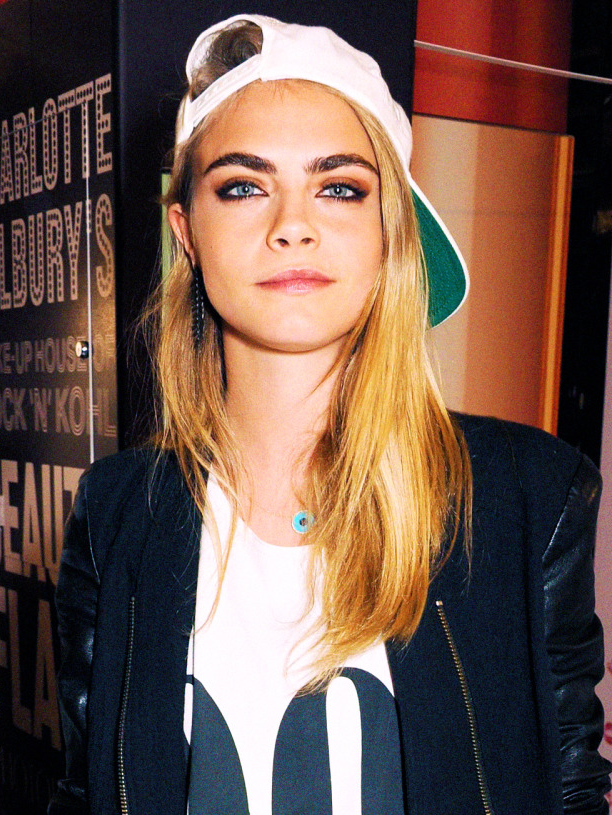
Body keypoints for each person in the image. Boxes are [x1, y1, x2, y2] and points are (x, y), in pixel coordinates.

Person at [48, 14, 611, 815]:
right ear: (187, 231)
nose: (292, 226)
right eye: (243, 186)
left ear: (391, 233)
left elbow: (570, 788)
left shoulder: (530, 496)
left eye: (339, 187)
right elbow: (86, 791)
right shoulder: (116, 513)